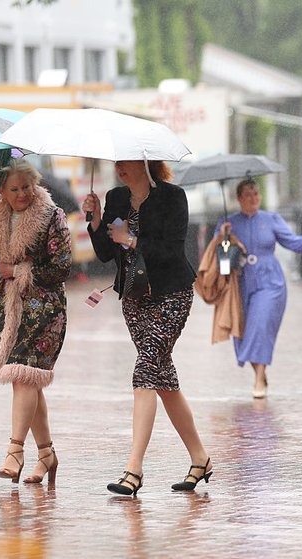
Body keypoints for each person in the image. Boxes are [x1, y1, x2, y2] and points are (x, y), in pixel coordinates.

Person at [82, 159, 211, 496]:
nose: (119, 167)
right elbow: (106, 255)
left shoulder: (173, 197)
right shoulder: (116, 198)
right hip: (134, 300)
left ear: (144, 162)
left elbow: (171, 251)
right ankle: (200, 459)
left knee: (144, 371)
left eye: (126, 161)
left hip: (172, 295)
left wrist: (133, 239)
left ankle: (134, 469)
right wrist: (96, 221)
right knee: (163, 378)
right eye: (117, 162)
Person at [0, 154, 72, 486]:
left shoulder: (52, 216)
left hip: (44, 309)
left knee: (24, 377)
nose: (22, 194)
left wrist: (21, 271)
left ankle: (15, 450)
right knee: (28, 382)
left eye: (27, 187)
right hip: (7, 311)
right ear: (2, 192)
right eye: (14, 189)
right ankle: (47, 455)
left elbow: (62, 266)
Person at [217, 178, 302, 399]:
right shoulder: (228, 222)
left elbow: (292, 242)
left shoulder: (271, 219)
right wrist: (223, 236)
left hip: (270, 282)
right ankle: (260, 371)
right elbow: (219, 253)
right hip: (242, 282)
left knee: (260, 326)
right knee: (245, 332)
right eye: (248, 195)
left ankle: (258, 380)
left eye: (257, 194)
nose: (253, 199)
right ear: (238, 198)